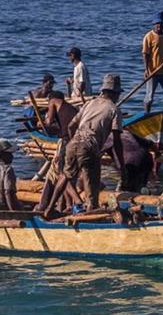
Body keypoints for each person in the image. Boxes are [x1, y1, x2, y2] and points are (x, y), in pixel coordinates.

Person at [44, 74, 127, 218]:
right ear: (115, 94)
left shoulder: (90, 103)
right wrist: (121, 164)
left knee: (65, 175)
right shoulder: (114, 110)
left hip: (73, 143)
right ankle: (90, 211)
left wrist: (73, 141)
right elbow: (117, 140)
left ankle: (49, 208)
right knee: (92, 182)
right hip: (89, 147)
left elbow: (71, 125)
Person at [37, 91, 82, 212]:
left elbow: (49, 122)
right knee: (69, 174)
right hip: (79, 141)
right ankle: (68, 205)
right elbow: (61, 127)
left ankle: (78, 202)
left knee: (62, 174)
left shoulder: (53, 101)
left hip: (67, 142)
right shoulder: (71, 108)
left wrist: (42, 123)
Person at [142, 11, 163, 112]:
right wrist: (146, 70)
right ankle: (146, 114)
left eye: (161, 24)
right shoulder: (148, 37)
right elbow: (145, 54)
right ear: (154, 24)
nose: (159, 26)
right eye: (158, 24)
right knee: (149, 96)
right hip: (153, 72)